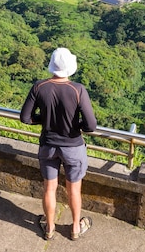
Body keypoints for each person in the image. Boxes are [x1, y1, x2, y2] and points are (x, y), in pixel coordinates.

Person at [20, 47, 97, 241]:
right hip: (73, 146)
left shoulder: (39, 87)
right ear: (71, 67)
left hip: (48, 146)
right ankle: (75, 229)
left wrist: (45, 120)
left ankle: (49, 227)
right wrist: (74, 124)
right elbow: (91, 125)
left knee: (49, 188)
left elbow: (25, 118)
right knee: (74, 189)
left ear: (52, 66)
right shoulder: (78, 89)